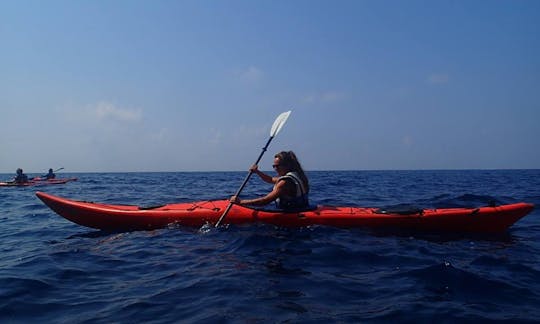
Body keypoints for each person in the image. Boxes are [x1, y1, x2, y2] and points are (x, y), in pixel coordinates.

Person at [230, 151, 310, 210]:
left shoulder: (284, 183)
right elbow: (271, 179)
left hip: (291, 216)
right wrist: (257, 172)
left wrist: (240, 202)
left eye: (278, 166)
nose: (275, 169)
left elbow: (265, 201)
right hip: (303, 209)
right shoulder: (298, 176)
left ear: (287, 165)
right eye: (274, 166)